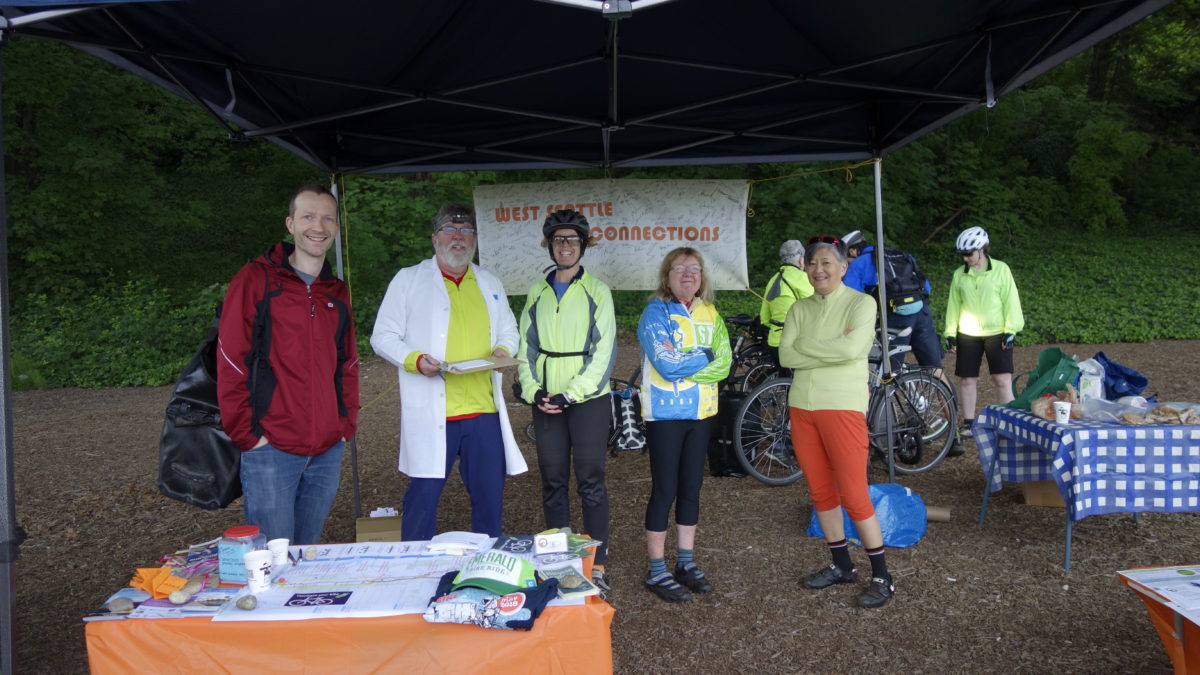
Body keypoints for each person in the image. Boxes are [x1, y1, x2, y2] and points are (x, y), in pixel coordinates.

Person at [371, 204, 526, 541]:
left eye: (466, 231)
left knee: (488, 498)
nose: (459, 238)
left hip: (483, 412)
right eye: (450, 230)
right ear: (434, 238)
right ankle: (413, 565)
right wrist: (414, 359)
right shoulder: (409, 280)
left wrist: (503, 349)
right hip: (433, 410)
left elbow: (509, 330)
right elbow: (382, 336)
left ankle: (485, 567)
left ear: (475, 239)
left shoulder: (489, 281)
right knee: (423, 498)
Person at [217, 184, 360, 545]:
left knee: (305, 554)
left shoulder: (336, 291)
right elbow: (232, 360)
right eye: (308, 216)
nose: (319, 226)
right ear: (290, 224)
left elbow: (347, 363)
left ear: (337, 228)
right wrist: (248, 436)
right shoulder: (255, 280)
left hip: (327, 446)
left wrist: (345, 425)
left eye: (328, 218)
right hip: (272, 446)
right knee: (273, 559)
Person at [779, 235, 894, 609]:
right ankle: (842, 565)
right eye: (812, 263)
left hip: (842, 407)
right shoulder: (799, 308)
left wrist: (807, 346)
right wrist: (828, 349)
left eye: (827, 262)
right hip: (803, 407)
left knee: (854, 492)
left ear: (844, 267)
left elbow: (851, 350)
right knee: (820, 492)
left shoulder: (862, 303)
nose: (818, 269)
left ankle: (882, 576)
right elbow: (786, 355)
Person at [515, 209, 618, 594]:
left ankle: (597, 563)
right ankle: (558, 562)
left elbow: (604, 351)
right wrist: (535, 392)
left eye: (572, 240)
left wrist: (570, 392)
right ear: (550, 245)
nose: (565, 246)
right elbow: (523, 348)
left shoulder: (598, 290)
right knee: (553, 481)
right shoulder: (537, 291)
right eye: (559, 240)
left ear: (583, 246)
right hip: (546, 401)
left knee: (591, 480)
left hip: (587, 400)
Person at [637, 247, 732, 603]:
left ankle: (686, 563)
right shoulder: (655, 313)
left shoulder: (710, 312)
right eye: (680, 268)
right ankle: (657, 569)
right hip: (665, 414)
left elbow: (725, 364)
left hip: (701, 412)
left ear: (702, 277)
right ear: (667, 276)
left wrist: (695, 361)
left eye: (695, 269)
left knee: (691, 489)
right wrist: (705, 355)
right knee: (665, 490)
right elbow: (667, 366)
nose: (688, 274)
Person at [943, 226, 1024, 431]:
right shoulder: (959, 275)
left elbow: (1011, 300)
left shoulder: (1001, 269)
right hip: (967, 334)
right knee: (967, 379)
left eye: (968, 254)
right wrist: (950, 333)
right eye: (962, 255)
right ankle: (969, 423)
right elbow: (954, 305)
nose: (965, 259)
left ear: (982, 249)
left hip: (997, 332)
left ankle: (1009, 422)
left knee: (1001, 379)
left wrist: (1011, 329)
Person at [758, 239, 813, 363]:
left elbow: (764, 318)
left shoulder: (773, 280)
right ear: (801, 260)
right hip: (795, 344)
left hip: (774, 344)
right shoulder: (804, 279)